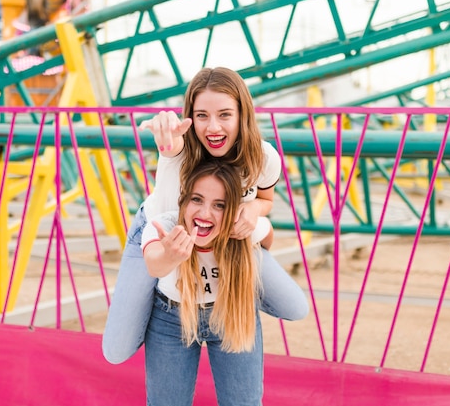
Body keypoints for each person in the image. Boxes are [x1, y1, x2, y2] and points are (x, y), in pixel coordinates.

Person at [102, 67, 308, 364]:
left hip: (229, 238)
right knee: (117, 350)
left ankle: (234, 295)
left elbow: (265, 199)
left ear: (242, 114)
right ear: (190, 116)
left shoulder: (263, 158)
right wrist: (167, 139)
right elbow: (171, 148)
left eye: (224, 114)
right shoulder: (181, 153)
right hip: (162, 234)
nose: (213, 127)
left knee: (295, 306)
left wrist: (252, 210)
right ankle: (159, 320)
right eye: (201, 115)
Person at [143, 160, 266, 405]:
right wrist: (170, 255)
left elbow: (266, 232)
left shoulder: (246, 228)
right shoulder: (165, 224)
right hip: (172, 318)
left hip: (230, 311)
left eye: (219, 205)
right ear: (183, 200)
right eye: (196, 200)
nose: (204, 213)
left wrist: (256, 210)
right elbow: (153, 265)